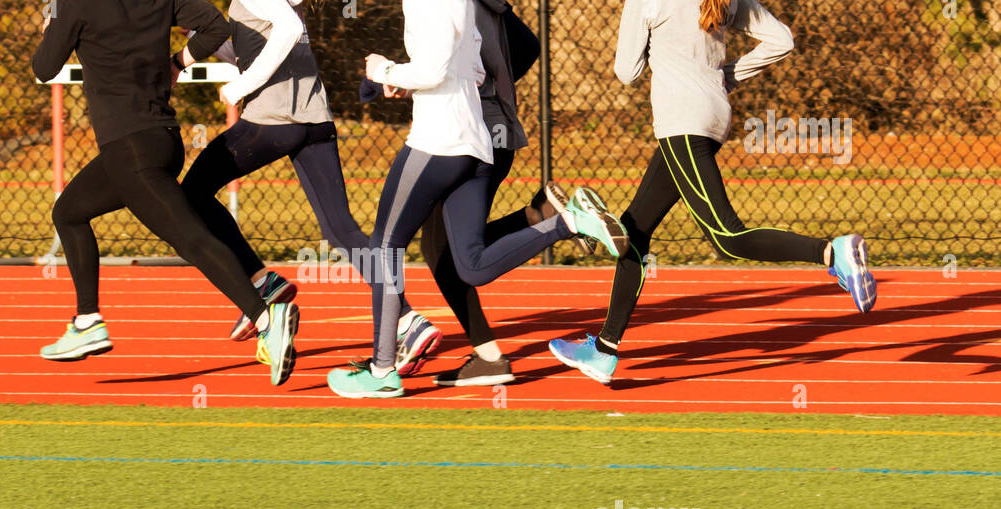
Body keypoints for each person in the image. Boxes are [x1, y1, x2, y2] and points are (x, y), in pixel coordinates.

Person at [548, 0, 876, 386]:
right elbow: (782, 40)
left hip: (681, 121)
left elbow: (626, 71)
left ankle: (832, 251)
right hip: (710, 116)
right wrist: (724, 77)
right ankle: (604, 350)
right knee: (634, 231)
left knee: (727, 237)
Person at [326, 0, 627, 399]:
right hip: (475, 143)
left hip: (437, 140)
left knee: (384, 246)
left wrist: (386, 70)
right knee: (470, 263)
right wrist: (411, 80)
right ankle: (568, 222)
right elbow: (473, 69)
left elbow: (433, 70)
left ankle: (382, 371)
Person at [32, 0, 299, 386]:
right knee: (69, 212)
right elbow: (215, 28)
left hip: (130, 151)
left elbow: (44, 68)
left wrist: (51, 28)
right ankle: (87, 319)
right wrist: (177, 63)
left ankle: (264, 317)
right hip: (162, 142)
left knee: (190, 240)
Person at [180, 0, 443, 376]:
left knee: (191, 195)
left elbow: (285, 30)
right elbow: (252, 44)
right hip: (314, 120)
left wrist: (241, 86)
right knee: (341, 230)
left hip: (273, 119)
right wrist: (193, 40)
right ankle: (406, 320)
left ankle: (261, 283)